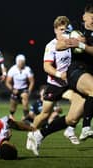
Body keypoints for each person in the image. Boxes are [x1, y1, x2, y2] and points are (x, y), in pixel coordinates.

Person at [27, 4, 93, 156]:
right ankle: (86, 127)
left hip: (72, 83)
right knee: (45, 113)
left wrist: (82, 44)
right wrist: (74, 41)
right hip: (63, 80)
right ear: (84, 16)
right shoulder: (75, 28)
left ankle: (39, 135)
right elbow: (57, 48)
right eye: (92, 16)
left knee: (71, 119)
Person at [30, 16, 81, 145]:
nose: (64, 32)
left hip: (70, 84)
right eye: (61, 29)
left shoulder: (71, 43)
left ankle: (70, 129)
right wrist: (59, 74)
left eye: (66, 29)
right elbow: (46, 66)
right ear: (55, 30)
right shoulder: (51, 46)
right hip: (55, 84)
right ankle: (32, 134)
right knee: (44, 114)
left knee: (81, 104)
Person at [5, 54, 34, 121]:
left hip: (24, 89)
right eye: (20, 61)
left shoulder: (27, 69)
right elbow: (7, 82)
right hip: (15, 88)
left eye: (22, 61)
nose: (21, 63)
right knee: (13, 106)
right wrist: (12, 89)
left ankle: (26, 117)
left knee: (25, 99)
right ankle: (11, 116)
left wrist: (29, 91)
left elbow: (32, 81)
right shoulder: (12, 69)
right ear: (17, 62)